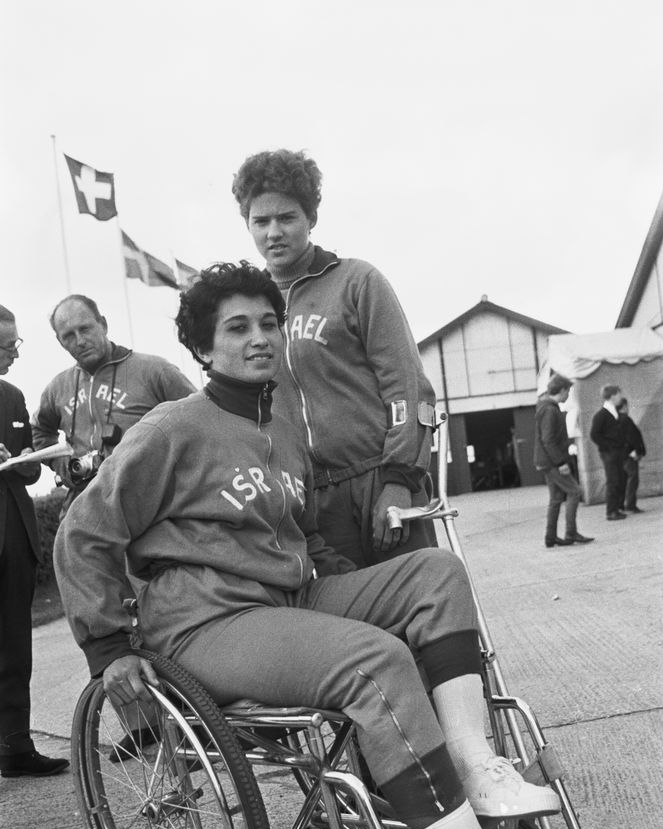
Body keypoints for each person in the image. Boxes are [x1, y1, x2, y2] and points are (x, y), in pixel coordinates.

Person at [54, 263, 632, 829]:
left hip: (290, 596)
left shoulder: (288, 426)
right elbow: (84, 532)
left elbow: (300, 534)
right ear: (202, 348)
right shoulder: (171, 429)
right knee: (375, 661)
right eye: (237, 328)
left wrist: (358, 585)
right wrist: (108, 647)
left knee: (435, 574)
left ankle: (476, 766)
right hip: (208, 623)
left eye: (269, 323)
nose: (260, 337)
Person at [231, 149, 438, 568]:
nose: (274, 232)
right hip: (308, 502)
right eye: (261, 221)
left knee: (419, 609)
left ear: (311, 218)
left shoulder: (357, 282)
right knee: (349, 626)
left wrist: (399, 481)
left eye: (287, 218)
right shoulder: (251, 310)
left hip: (380, 479)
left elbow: (408, 388)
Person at [31, 294, 196, 516]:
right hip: (84, 510)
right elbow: (39, 431)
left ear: (103, 324)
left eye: (85, 329)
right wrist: (63, 465)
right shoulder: (57, 388)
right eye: (69, 336)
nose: (80, 341)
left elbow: (201, 420)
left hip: (151, 510)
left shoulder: (154, 371)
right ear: (61, 342)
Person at [0, 305, 69, 777]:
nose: (14, 355)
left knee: (14, 643)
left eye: (15, 344)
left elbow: (27, 469)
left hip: (14, 531)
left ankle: (15, 747)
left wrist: (22, 458)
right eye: (8, 345)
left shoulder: (12, 396)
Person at [534, 373, 594, 548]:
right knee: (574, 491)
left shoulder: (546, 406)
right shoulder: (550, 410)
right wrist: (561, 463)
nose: (568, 395)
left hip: (546, 461)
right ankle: (571, 533)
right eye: (568, 391)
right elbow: (548, 440)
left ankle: (550, 537)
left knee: (556, 498)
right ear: (561, 390)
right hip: (552, 461)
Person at [589, 385, 626, 521]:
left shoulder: (613, 412)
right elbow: (594, 434)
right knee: (613, 480)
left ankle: (615, 508)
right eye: (619, 395)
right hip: (609, 453)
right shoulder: (601, 415)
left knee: (618, 479)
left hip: (616, 452)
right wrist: (608, 446)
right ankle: (611, 511)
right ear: (612, 396)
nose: (621, 397)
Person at [618, 398, 646, 513]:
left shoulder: (614, 420)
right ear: (624, 406)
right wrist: (637, 451)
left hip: (620, 455)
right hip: (629, 455)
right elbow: (633, 437)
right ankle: (630, 504)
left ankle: (620, 505)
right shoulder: (626, 419)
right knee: (632, 478)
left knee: (623, 480)